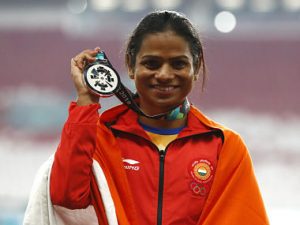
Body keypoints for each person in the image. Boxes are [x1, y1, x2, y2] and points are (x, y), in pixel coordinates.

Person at [24, 10, 269, 225]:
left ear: (196, 67)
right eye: (151, 64)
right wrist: (86, 101)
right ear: (131, 66)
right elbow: (66, 197)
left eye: (178, 64)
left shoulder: (223, 146)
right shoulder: (99, 136)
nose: (164, 75)